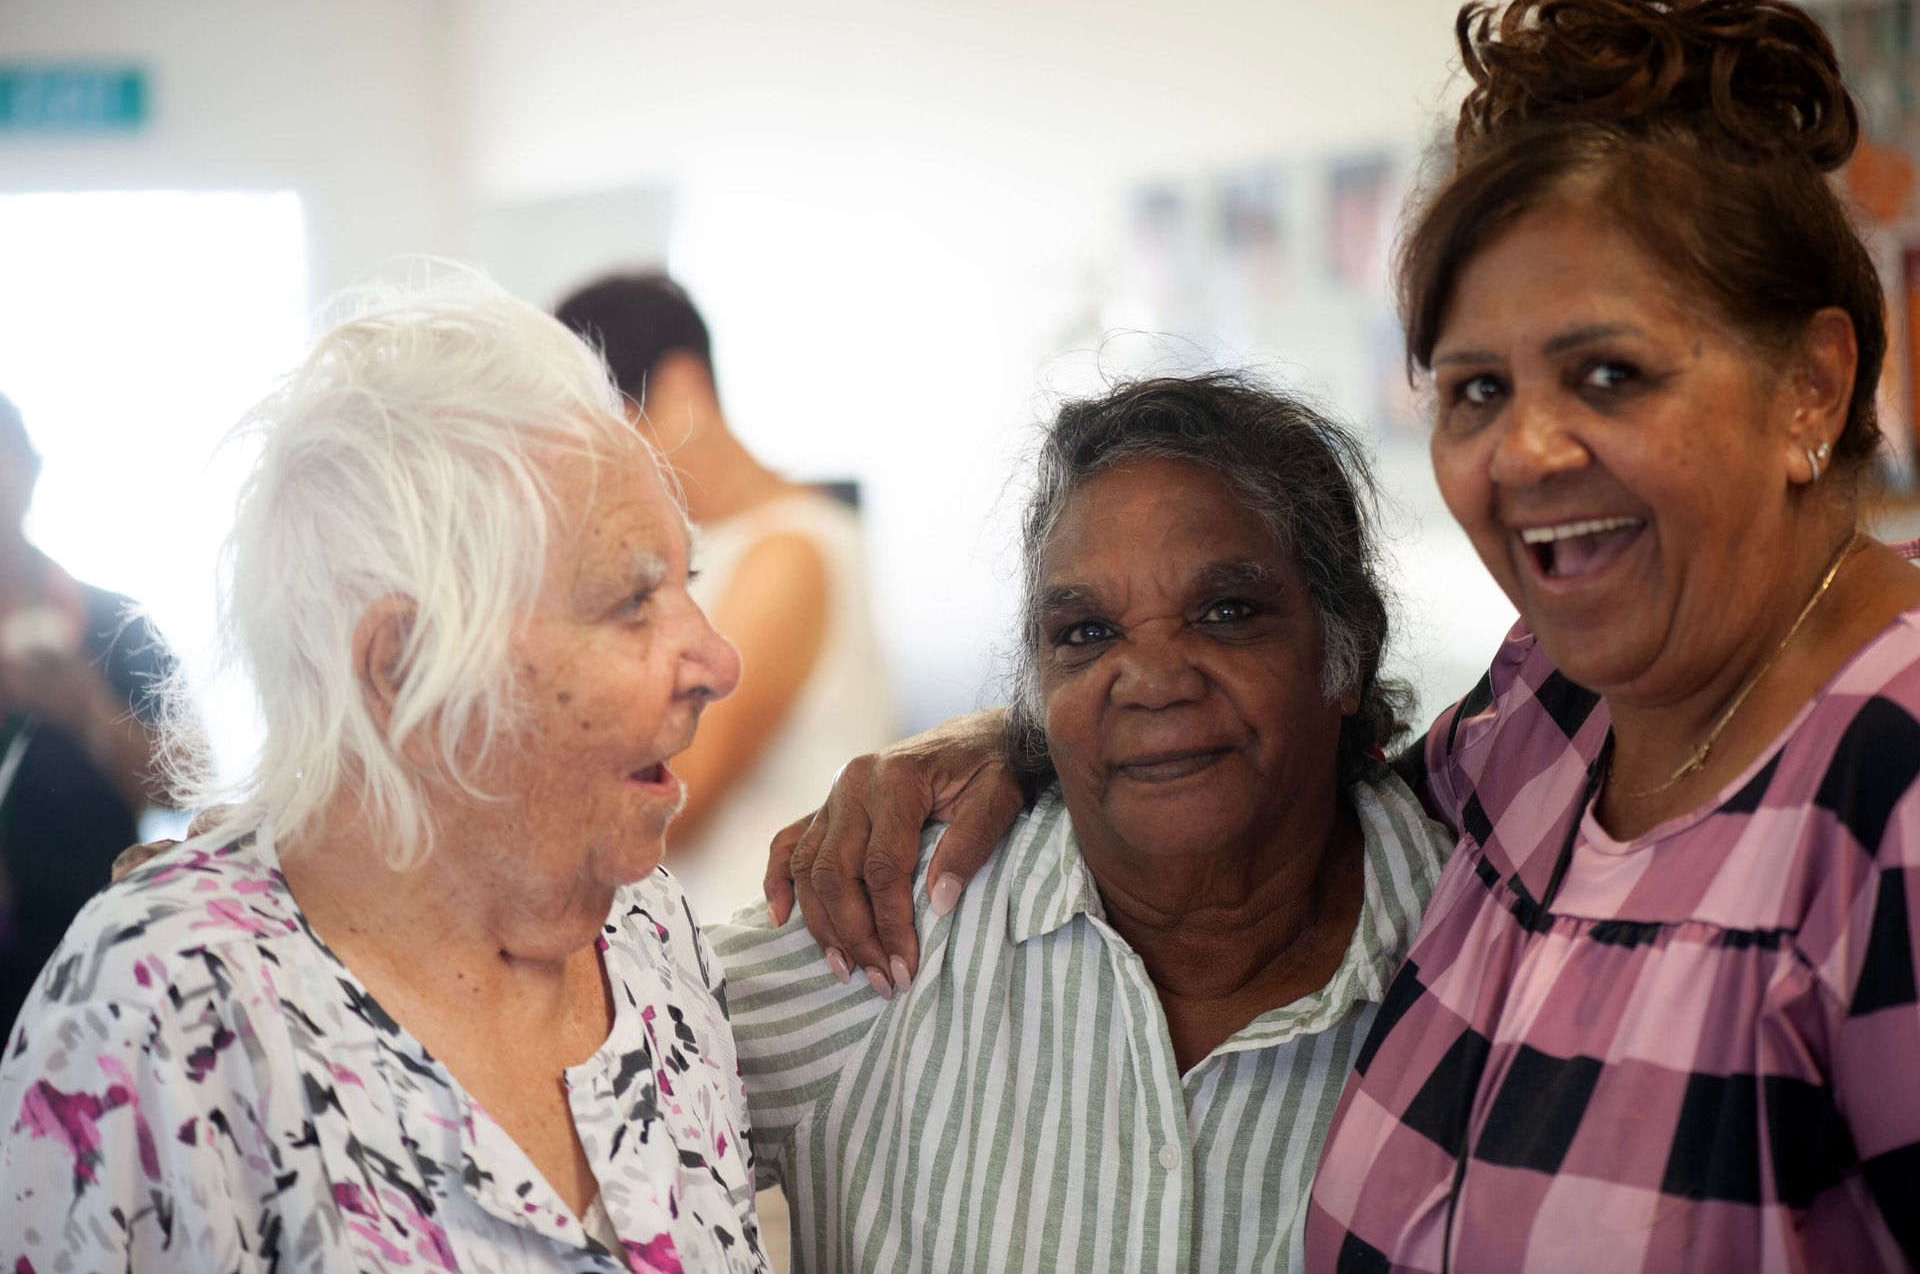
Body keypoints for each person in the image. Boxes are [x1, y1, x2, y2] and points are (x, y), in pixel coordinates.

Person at [762, 0, 1920, 1269]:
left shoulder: (1887, 778)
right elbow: (1278, 763)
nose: (1527, 448)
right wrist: (1028, 735)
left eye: (1609, 374)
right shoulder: (1563, 713)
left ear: (1813, 385)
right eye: (1478, 387)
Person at [0, 275, 767, 1271]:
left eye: (688, 583)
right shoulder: (167, 1007)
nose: (719, 662)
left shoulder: (650, 931)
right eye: (632, 599)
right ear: (406, 670)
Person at [711, 373, 1451, 1271]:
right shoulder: (898, 932)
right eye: (1087, 634)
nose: (1152, 678)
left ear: (1346, 652)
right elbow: (558, 1079)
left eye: (1226, 613)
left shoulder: (1486, 953)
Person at [556, 274, 895, 919]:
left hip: (755, 954)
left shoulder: (791, 552)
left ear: (683, 390)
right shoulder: (723, 546)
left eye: (611, 431)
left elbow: (680, 788)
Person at [0, 393, 176, 1038]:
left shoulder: (112, 626)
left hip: (88, 969)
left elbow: (187, 787)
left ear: (31, 470)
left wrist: (87, 708)